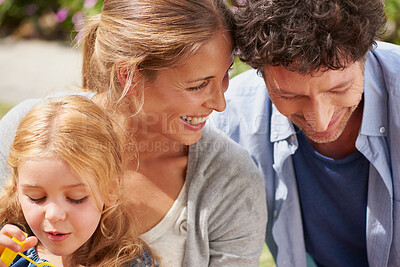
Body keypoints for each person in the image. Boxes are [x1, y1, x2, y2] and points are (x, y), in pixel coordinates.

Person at [0, 0, 267, 266]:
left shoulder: (231, 180)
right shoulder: (31, 133)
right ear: (129, 75)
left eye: (225, 75)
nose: (220, 104)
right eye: (198, 86)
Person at [212, 0, 400, 266]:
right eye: (290, 95)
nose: (320, 122)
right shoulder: (229, 119)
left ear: (366, 52)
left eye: (338, 89)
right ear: (260, 73)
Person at [0, 95, 157, 266]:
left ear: (110, 190)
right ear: (17, 187)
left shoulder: (132, 261)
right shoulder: (7, 249)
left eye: (76, 198)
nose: (53, 215)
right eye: (36, 197)